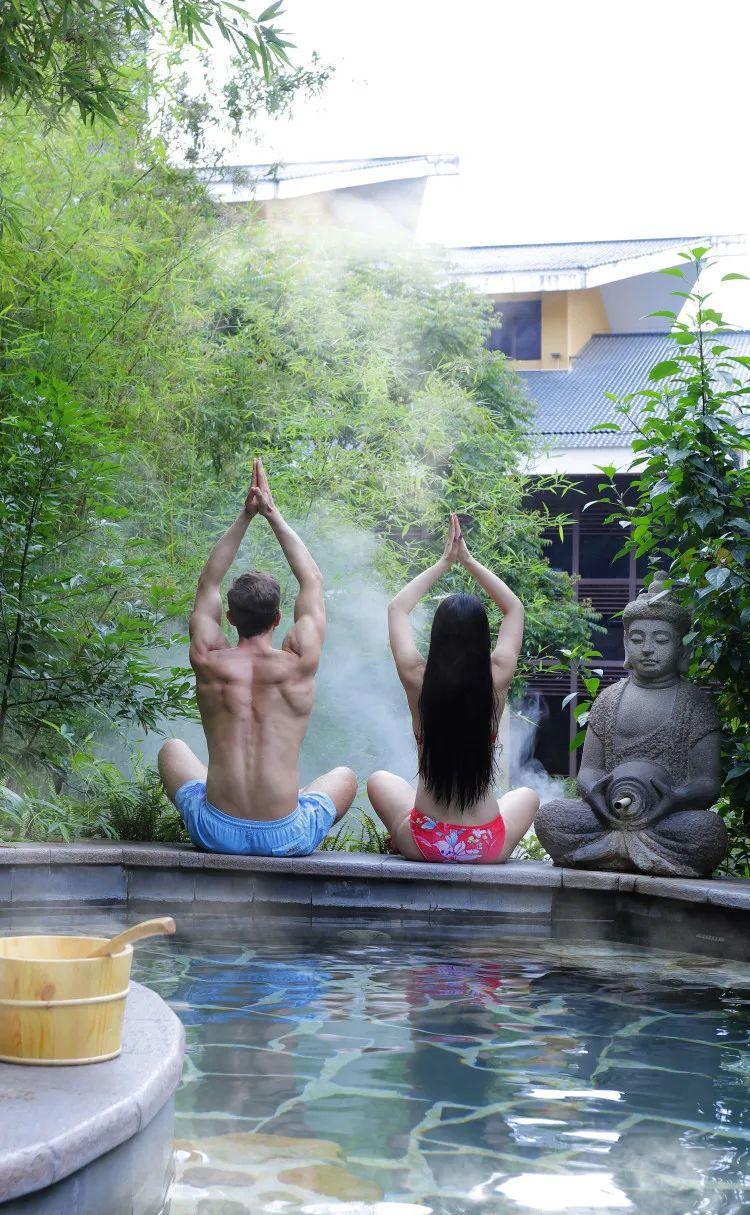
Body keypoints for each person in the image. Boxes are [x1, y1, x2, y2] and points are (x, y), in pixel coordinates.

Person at [158, 458, 357, 856]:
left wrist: (245, 517)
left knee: (172, 750)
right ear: (279, 619)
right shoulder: (298, 664)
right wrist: (272, 513)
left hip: (216, 831)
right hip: (286, 835)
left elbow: (208, 581)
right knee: (345, 777)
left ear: (229, 618)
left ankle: (232, 805)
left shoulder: (209, 659)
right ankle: (288, 804)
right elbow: (312, 579)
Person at [367, 515, 539, 863]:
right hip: (485, 845)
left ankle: (406, 837)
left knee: (379, 780)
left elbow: (398, 609)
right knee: (528, 796)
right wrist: (469, 561)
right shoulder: (496, 678)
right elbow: (514, 609)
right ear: (482, 638)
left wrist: (444, 562)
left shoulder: (417, 678)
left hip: (425, 842)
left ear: (437, 637)